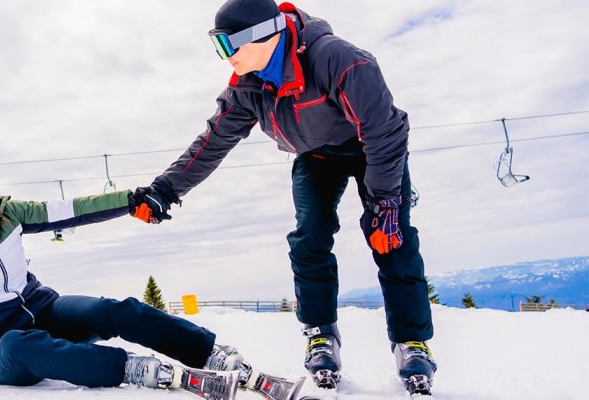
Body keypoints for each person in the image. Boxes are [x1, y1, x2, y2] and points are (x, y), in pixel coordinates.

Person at [130, 0, 437, 393]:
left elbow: (384, 130)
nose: (224, 58)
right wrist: (164, 190)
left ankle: (412, 343)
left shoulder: (337, 59)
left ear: (262, 36)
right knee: (309, 236)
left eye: (228, 46)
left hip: (373, 148)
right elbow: (212, 142)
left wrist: (385, 204)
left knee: (391, 237)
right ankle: (321, 334)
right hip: (316, 156)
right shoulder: (247, 87)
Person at [0, 146, 246, 392]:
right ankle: (130, 369)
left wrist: (130, 201)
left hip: (44, 309)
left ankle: (206, 350)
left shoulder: (6, 212)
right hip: (2, 349)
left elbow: (69, 210)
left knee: (112, 310)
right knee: (24, 343)